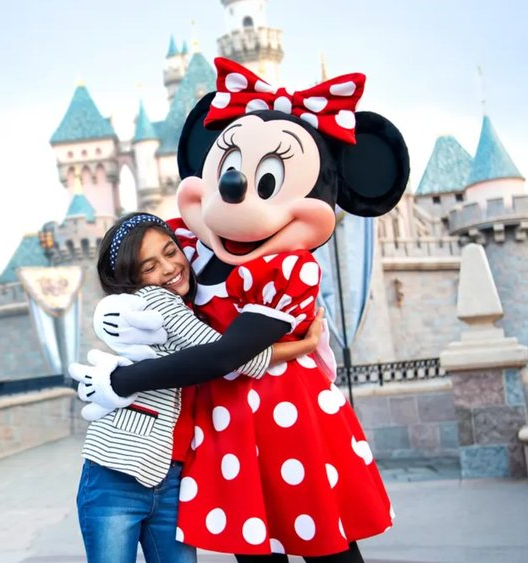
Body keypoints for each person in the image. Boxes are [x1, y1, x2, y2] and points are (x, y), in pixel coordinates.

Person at [72, 57, 411, 561]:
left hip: (290, 418)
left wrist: (124, 381)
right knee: (252, 547)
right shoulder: (189, 247)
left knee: (323, 541)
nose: (236, 192)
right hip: (223, 423)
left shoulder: (288, 271)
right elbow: (140, 255)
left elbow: (224, 355)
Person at [75, 211, 324, 563]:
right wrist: (305, 343)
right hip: (119, 475)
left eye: (170, 251)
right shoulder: (158, 302)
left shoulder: (181, 306)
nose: (167, 267)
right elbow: (228, 357)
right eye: (149, 266)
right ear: (133, 279)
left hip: (169, 478)